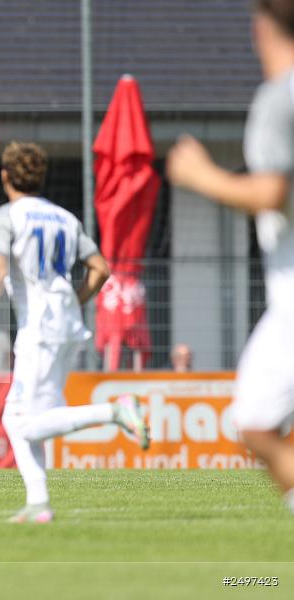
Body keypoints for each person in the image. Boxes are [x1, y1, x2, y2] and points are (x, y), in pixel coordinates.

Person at [0, 141, 150, 523]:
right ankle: (39, 503)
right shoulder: (65, 218)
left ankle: (115, 411)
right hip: (67, 322)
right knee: (20, 419)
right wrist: (75, 300)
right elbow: (100, 268)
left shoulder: (6, 216)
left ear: (5, 176)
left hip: (40, 328)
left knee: (23, 422)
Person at [166, 0, 294, 514]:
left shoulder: (278, 99)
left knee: (256, 422)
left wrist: (201, 175)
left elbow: (271, 192)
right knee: (256, 420)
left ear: (261, 26)